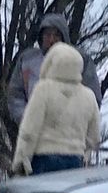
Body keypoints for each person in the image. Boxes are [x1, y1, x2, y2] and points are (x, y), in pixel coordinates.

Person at [11, 42, 100, 175]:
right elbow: (94, 136)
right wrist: (81, 152)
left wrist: (21, 159)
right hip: (75, 160)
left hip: (43, 159)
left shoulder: (43, 89)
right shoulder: (89, 95)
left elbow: (29, 129)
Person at [8, 13, 102, 126]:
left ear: (64, 37)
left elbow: (92, 99)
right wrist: (26, 118)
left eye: (57, 35)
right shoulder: (27, 60)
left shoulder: (81, 60)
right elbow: (15, 94)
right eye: (47, 34)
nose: (52, 40)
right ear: (41, 36)